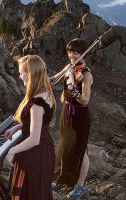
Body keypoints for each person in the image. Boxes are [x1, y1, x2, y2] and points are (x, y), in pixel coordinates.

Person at [5, 55, 56, 200]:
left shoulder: (36, 105)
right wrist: (19, 127)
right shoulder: (46, 92)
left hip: (35, 154)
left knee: (31, 193)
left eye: (22, 73)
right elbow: (39, 124)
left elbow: (34, 139)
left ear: (31, 74)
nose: (19, 76)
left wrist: (12, 150)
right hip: (44, 148)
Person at [50, 38, 93, 199]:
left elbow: (85, 99)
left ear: (82, 52)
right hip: (67, 112)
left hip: (80, 116)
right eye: (70, 51)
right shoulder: (70, 67)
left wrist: (74, 89)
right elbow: (54, 79)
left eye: (75, 52)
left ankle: (80, 186)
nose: (72, 55)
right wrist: (44, 81)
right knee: (65, 146)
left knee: (80, 151)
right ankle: (64, 179)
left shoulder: (86, 74)